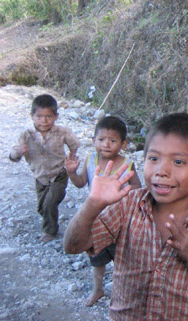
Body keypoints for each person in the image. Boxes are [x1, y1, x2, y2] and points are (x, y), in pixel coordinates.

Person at [63, 113, 188, 320]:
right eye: (153, 158)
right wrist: (93, 204)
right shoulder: (127, 206)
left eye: (178, 162)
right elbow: (72, 246)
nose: (161, 171)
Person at [65, 115, 142, 307]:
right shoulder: (91, 159)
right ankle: (97, 289)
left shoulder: (127, 165)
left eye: (113, 140)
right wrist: (72, 173)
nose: (106, 144)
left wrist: (120, 191)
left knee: (121, 259)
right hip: (96, 218)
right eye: (101, 139)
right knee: (95, 257)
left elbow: (139, 189)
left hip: (119, 222)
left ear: (123, 144)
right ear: (93, 141)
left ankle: (121, 293)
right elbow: (81, 183)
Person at [9, 94, 80, 242]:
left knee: (49, 203)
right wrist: (19, 152)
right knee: (42, 207)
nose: (44, 121)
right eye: (39, 116)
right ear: (32, 116)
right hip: (40, 176)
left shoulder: (62, 132)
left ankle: (50, 231)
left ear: (56, 117)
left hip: (59, 173)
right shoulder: (26, 135)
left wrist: (72, 157)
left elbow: (74, 144)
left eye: (49, 116)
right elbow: (13, 155)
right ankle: (49, 217)